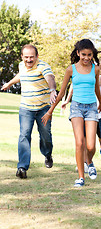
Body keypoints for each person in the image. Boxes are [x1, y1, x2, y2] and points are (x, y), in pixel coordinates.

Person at [42, 39, 101, 187]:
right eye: (83, 54)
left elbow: (96, 88)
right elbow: (61, 91)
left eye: (89, 55)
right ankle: (81, 177)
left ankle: (89, 161)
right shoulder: (71, 69)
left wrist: (100, 102)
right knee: (79, 142)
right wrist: (50, 110)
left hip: (91, 107)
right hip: (76, 107)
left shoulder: (95, 69)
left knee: (90, 145)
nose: (86, 58)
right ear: (78, 53)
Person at [1, 44, 57, 179]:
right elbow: (21, 75)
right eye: (26, 57)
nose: (29, 60)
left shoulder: (43, 66)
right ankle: (22, 167)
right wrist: (9, 83)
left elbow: (50, 78)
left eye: (32, 57)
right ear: (22, 56)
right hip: (26, 108)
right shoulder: (21, 65)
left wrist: (52, 90)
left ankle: (47, 154)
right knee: (24, 135)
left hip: (43, 108)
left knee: (45, 135)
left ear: (37, 56)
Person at [61, 83, 88, 173]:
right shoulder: (76, 70)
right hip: (78, 107)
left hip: (94, 108)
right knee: (82, 137)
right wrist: (67, 100)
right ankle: (84, 163)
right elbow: (73, 86)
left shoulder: (97, 71)